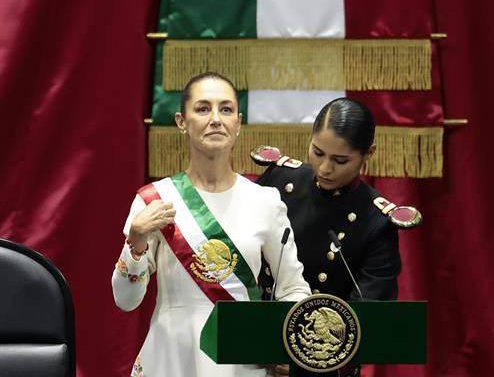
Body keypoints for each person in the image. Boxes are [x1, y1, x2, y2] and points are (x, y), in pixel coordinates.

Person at [112, 72, 311, 377]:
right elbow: (126, 300)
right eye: (203, 109)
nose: (216, 119)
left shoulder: (266, 202)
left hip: (244, 359)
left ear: (239, 123)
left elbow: (294, 288)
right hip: (173, 358)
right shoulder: (154, 200)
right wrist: (136, 240)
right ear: (182, 121)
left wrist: (286, 346)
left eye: (226, 109)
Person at [254, 98, 412, 377]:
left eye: (340, 161)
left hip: (323, 364)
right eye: (318, 152)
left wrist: (301, 361)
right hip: (256, 351)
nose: (325, 168)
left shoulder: (376, 220)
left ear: (368, 153)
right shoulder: (279, 180)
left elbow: (367, 315)